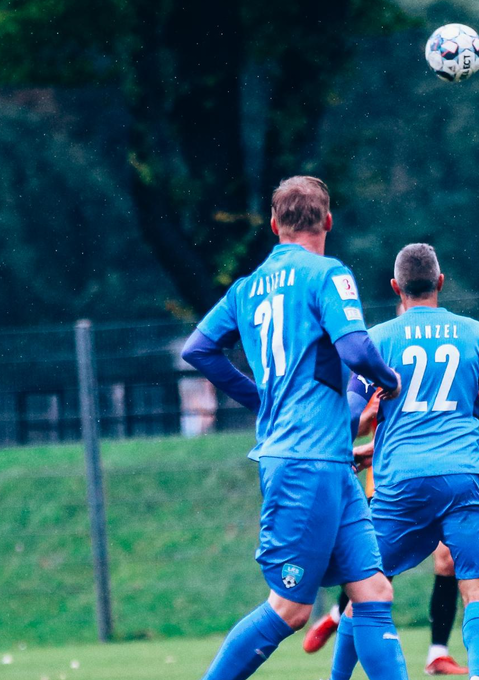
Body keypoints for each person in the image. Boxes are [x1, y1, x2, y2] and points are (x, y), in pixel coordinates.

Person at [180, 176, 408, 680]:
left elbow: (198, 349)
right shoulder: (328, 274)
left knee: (373, 592)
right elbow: (355, 349)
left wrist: (258, 398)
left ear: (273, 225)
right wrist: (390, 380)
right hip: (307, 462)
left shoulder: (246, 288)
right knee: (289, 609)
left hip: (326, 462)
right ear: (327, 220)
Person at [330, 244, 479, 680]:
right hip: (462, 476)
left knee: (365, 590)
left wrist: (352, 447)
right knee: (476, 589)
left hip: (400, 480)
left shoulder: (377, 340)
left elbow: (349, 416)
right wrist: (472, 454)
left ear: (396, 287)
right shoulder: (475, 333)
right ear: (441, 282)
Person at [305, 393, 469, 676]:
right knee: (373, 582)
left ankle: (437, 653)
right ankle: (338, 620)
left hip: (438, 479)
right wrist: (371, 418)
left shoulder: (445, 369)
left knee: (448, 560)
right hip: (389, 489)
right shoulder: (379, 373)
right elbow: (354, 425)